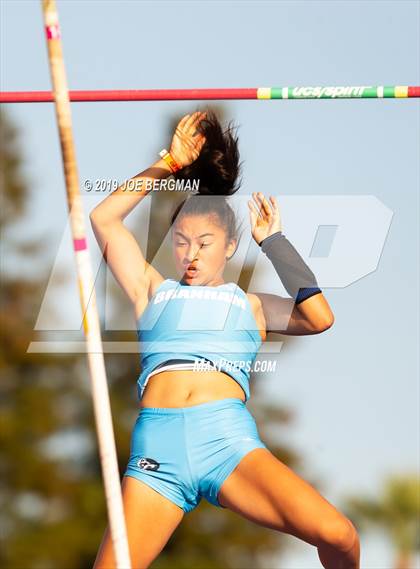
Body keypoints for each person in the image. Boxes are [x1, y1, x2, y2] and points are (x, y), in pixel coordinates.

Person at [90, 109, 360, 569]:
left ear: (230, 245)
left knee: (339, 534)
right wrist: (168, 163)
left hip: (226, 443)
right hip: (158, 452)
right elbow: (104, 218)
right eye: (180, 241)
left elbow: (319, 318)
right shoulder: (152, 291)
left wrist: (274, 241)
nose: (190, 254)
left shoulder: (251, 305)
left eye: (205, 242)